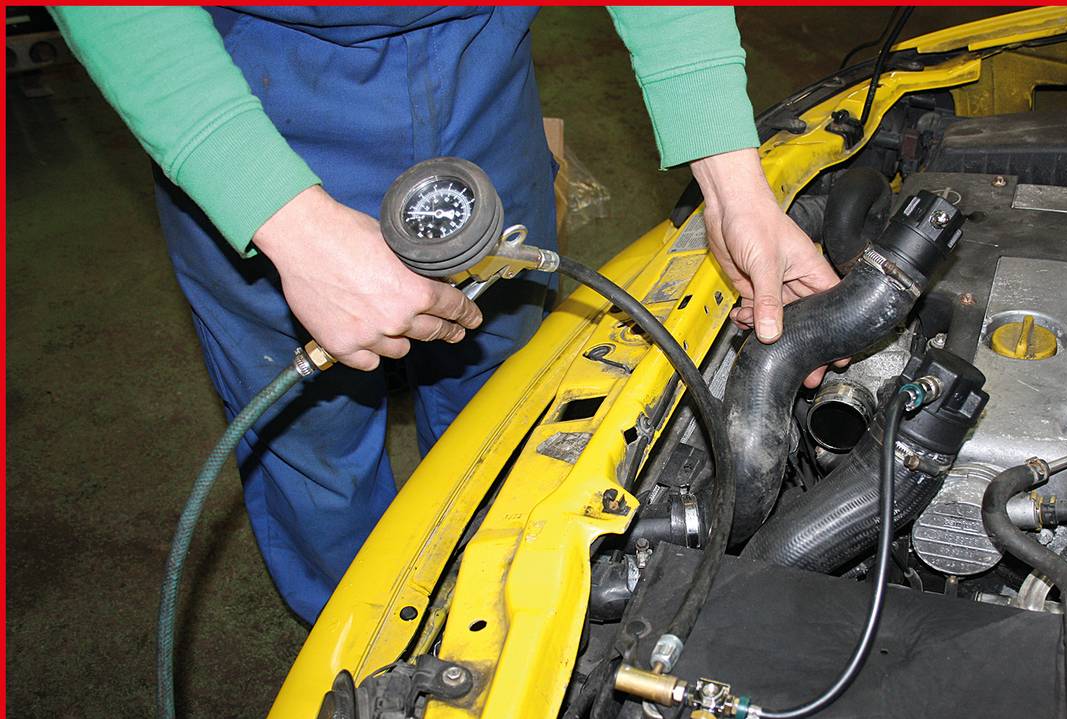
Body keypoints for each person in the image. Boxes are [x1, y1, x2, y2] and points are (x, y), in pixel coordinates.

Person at [53, 6, 839, 623]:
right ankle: (354, 652)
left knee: (503, 402)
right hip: (256, 93)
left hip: (480, 76)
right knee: (311, 443)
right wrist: (282, 216)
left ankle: (484, 602)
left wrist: (736, 183)